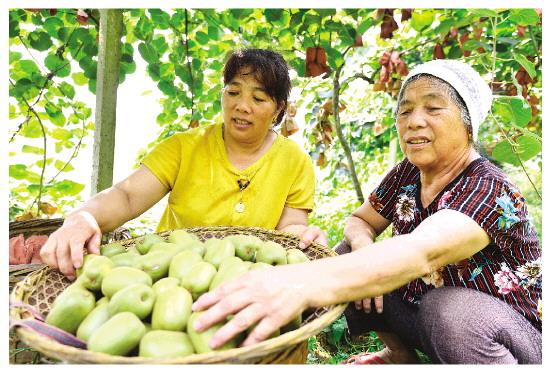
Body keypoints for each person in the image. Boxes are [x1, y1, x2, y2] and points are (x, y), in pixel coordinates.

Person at [192, 59, 542, 364]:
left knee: (450, 309)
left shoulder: (489, 188)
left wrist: (298, 283)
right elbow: (361, 220)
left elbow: (421, 252)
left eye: (433, 109)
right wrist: (362, 245)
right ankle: (399, 356)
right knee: (352, 255)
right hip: (426, 312)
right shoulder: (408, 171)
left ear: (468, 125)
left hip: (509, 333)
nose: (414, 121)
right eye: (405, 111)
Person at [41, 48, 327, 280]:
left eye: (258, 98)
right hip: (170, 275)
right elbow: (127, 196)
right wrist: (84, 217)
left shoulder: (295, 161)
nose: (242, 105)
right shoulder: (184, 147)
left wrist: (303, 236)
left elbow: (290, 227)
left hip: (247, 281)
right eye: (233, 92)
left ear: (278, 108)